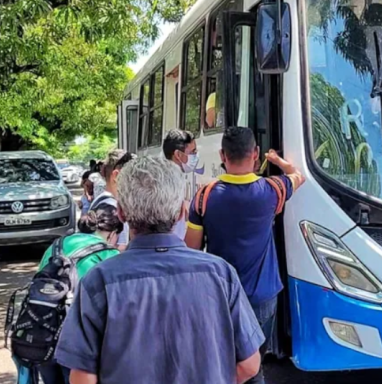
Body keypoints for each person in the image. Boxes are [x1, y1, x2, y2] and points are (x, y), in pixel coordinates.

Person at [55, 156, 264, 384]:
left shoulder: (98, 281)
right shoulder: (221, 273)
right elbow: (249, 365)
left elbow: (82, 379)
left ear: (121, 213)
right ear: (181, 212)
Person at [186, 126, 305, 384]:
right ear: (255, 153)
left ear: (222, 155)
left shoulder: (204, 196)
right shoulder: (272, 190)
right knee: (253, 367)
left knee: (223, 361)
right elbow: (298, 176)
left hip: (220, 297)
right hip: (262, 298)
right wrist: (276, 160)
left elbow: (191, 252)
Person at [35, 205, 122, 384]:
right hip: (78, 344)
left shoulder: (57, 245)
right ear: (112, 234)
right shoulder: (109, 254)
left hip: (43, 334)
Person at [89, 149, 136, 251]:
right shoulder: (114, 209)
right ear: (116, 176)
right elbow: (120, 248)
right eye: (132, 177)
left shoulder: (100, 201)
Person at [162, 129, 198, 240]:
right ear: (178, 154)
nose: (195, 156)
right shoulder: (168, 182)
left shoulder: (172, 177)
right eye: (192, 152)